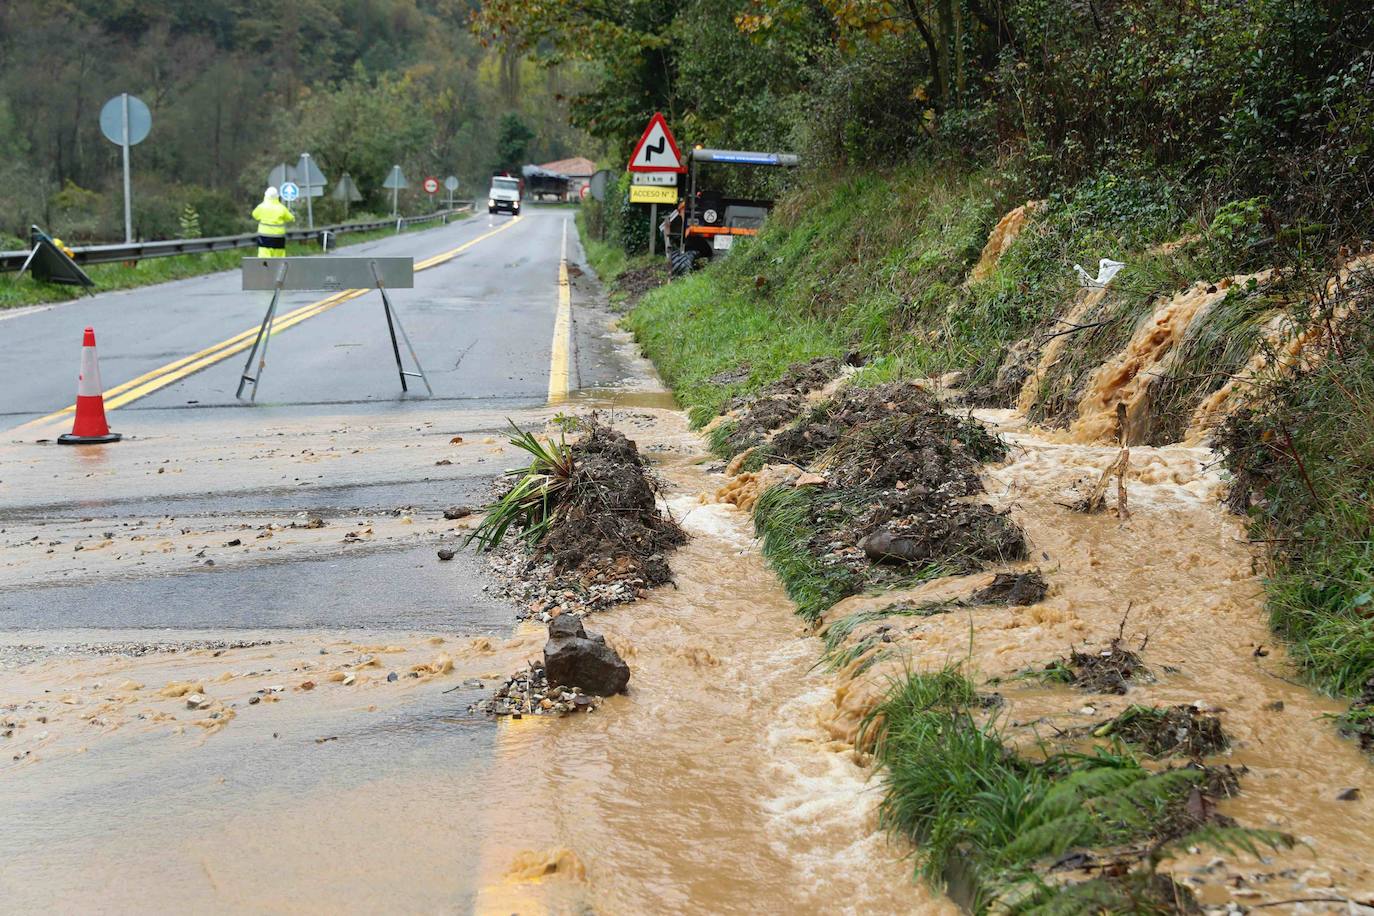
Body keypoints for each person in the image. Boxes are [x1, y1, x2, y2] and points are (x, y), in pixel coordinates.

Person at [252, 187, 295, 257]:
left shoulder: (261, 207)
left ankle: (266, 268)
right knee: (278, 259)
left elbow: (254, 215)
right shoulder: (281, 208)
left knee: (264, 259)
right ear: (277, 197)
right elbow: (290, 218)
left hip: (264, 237)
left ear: (265, 196)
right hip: (278, 237)